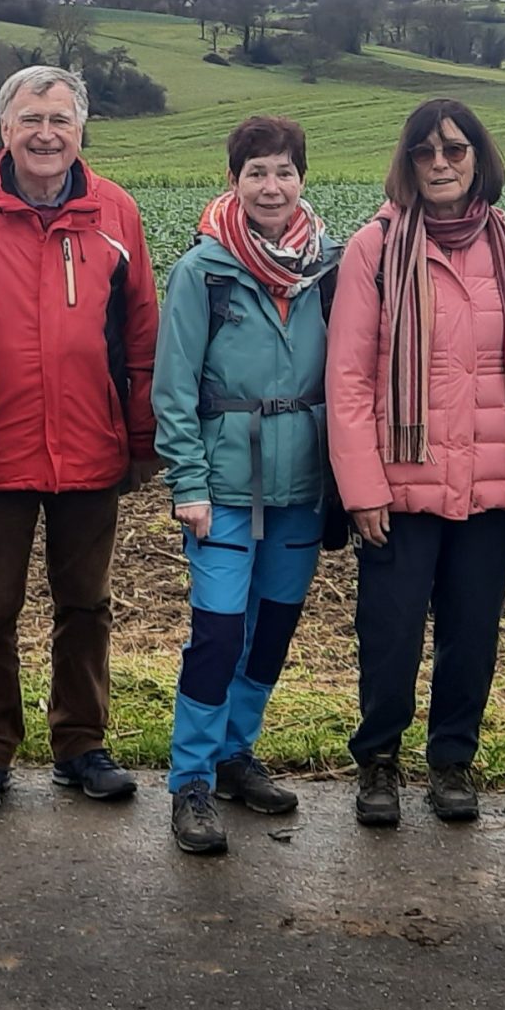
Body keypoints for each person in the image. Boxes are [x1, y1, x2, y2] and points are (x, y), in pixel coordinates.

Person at [0, 65, 162, 814]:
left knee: (86, 605)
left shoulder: (115, 213)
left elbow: (143, 337)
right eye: (31, 119)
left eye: (60, 119)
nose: (45, 134)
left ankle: (80, 745)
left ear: (81, 129)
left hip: (92, 445)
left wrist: (143, 437)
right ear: (4, 130)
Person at [327, 99, 505, 829]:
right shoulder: (374, 249)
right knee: (389, 634)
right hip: (399, 483)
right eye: (426, 151)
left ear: (480, 156)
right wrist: (362, 487)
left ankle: (453, 762)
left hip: (490, 479)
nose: (441, 163)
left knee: (472, 633)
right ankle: (378, 760)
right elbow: (348, 377)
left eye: (455, 149)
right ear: (407, 162)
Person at [152, 115, 340, 854]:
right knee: (219, 632)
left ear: (302, 179)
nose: (272, 186)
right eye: (256, 172)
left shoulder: (329, 264)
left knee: (273, 633)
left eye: (284, 171)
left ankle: (236, 755)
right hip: (225, 484)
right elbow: (173, 390)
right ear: (235, 181)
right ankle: (191, 779)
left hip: (302, 481)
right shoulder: (203, 271)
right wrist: (187, 483)